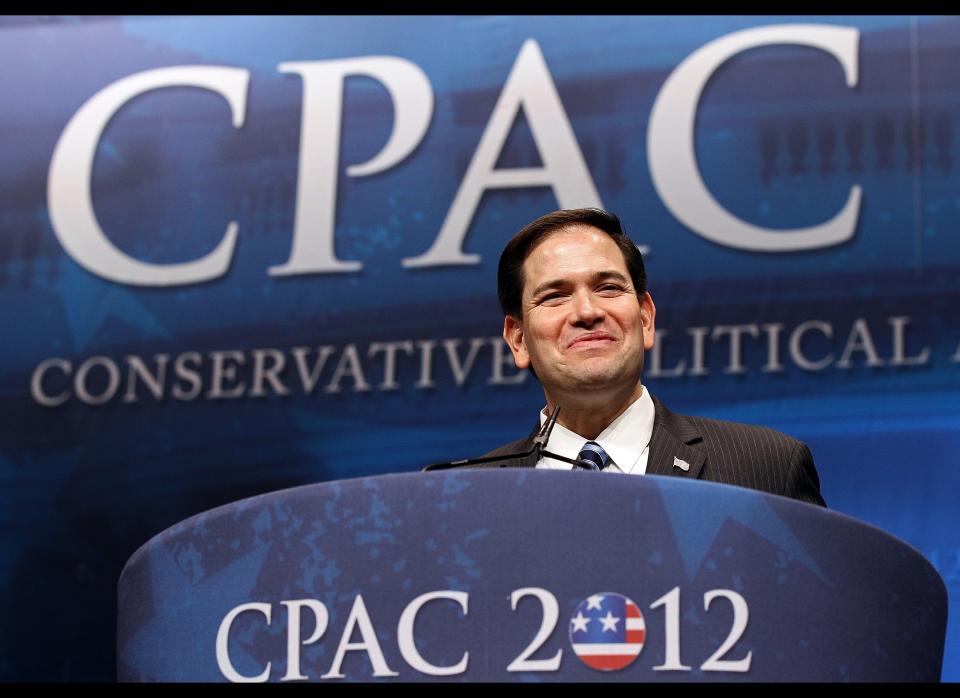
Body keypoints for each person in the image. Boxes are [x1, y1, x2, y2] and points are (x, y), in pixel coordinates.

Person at [478, 208, 825, 507]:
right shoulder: (466, 495)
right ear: (519, 340)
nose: (587, 311)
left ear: (645, 319)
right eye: (555, 296)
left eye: (608, 288)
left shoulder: (766, 467)